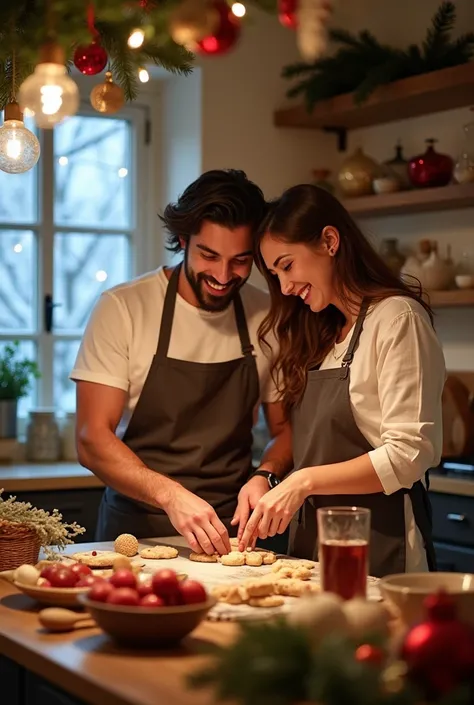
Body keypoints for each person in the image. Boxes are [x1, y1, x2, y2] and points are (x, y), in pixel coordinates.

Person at [71, 169, 292, 556]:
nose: (224, 276)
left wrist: (265, 475)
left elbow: (287, 429)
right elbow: (92, 440)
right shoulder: (124, 308)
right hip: (138, 530)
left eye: (240, 261)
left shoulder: (266, 313)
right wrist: (170, 495)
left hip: (237, 532)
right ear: (182, 240)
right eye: (209, 256)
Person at [239, 184, 445, 577]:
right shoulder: (318, 333)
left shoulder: (397, 319)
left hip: (381, 545)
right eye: (274, 273)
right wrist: (267, 476)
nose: (284, 287)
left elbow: (409, 454)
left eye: (287, 265)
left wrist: (304, 481)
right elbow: (309, 440)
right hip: (311, 548)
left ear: (330, 241)